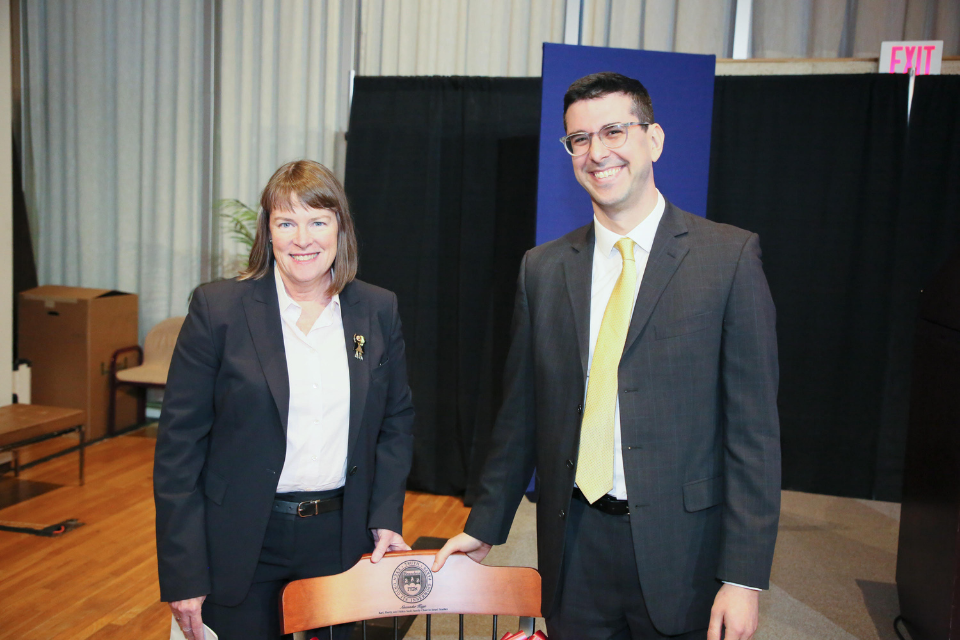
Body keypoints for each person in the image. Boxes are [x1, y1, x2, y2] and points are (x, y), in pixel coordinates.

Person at [433, 72, 781, 640]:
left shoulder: (728, 257)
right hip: (574, 546)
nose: (597, 153)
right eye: (579, 139)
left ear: (654, 139)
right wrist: (486, 525)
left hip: (683, 553)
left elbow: (754, 435)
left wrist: (743, 579)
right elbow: (521, 412)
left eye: (614, 131)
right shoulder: (542, 269)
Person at [154, 160, 415, 640]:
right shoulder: (219, 310)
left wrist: (384, 516)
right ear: (267, 232)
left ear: (340, 229)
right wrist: (183, 571)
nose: (303, 238)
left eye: (318, 221)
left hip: (341, 539)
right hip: (241, 541)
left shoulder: (378, 309)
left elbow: (395, 421)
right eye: (286, 222)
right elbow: (178, 450)